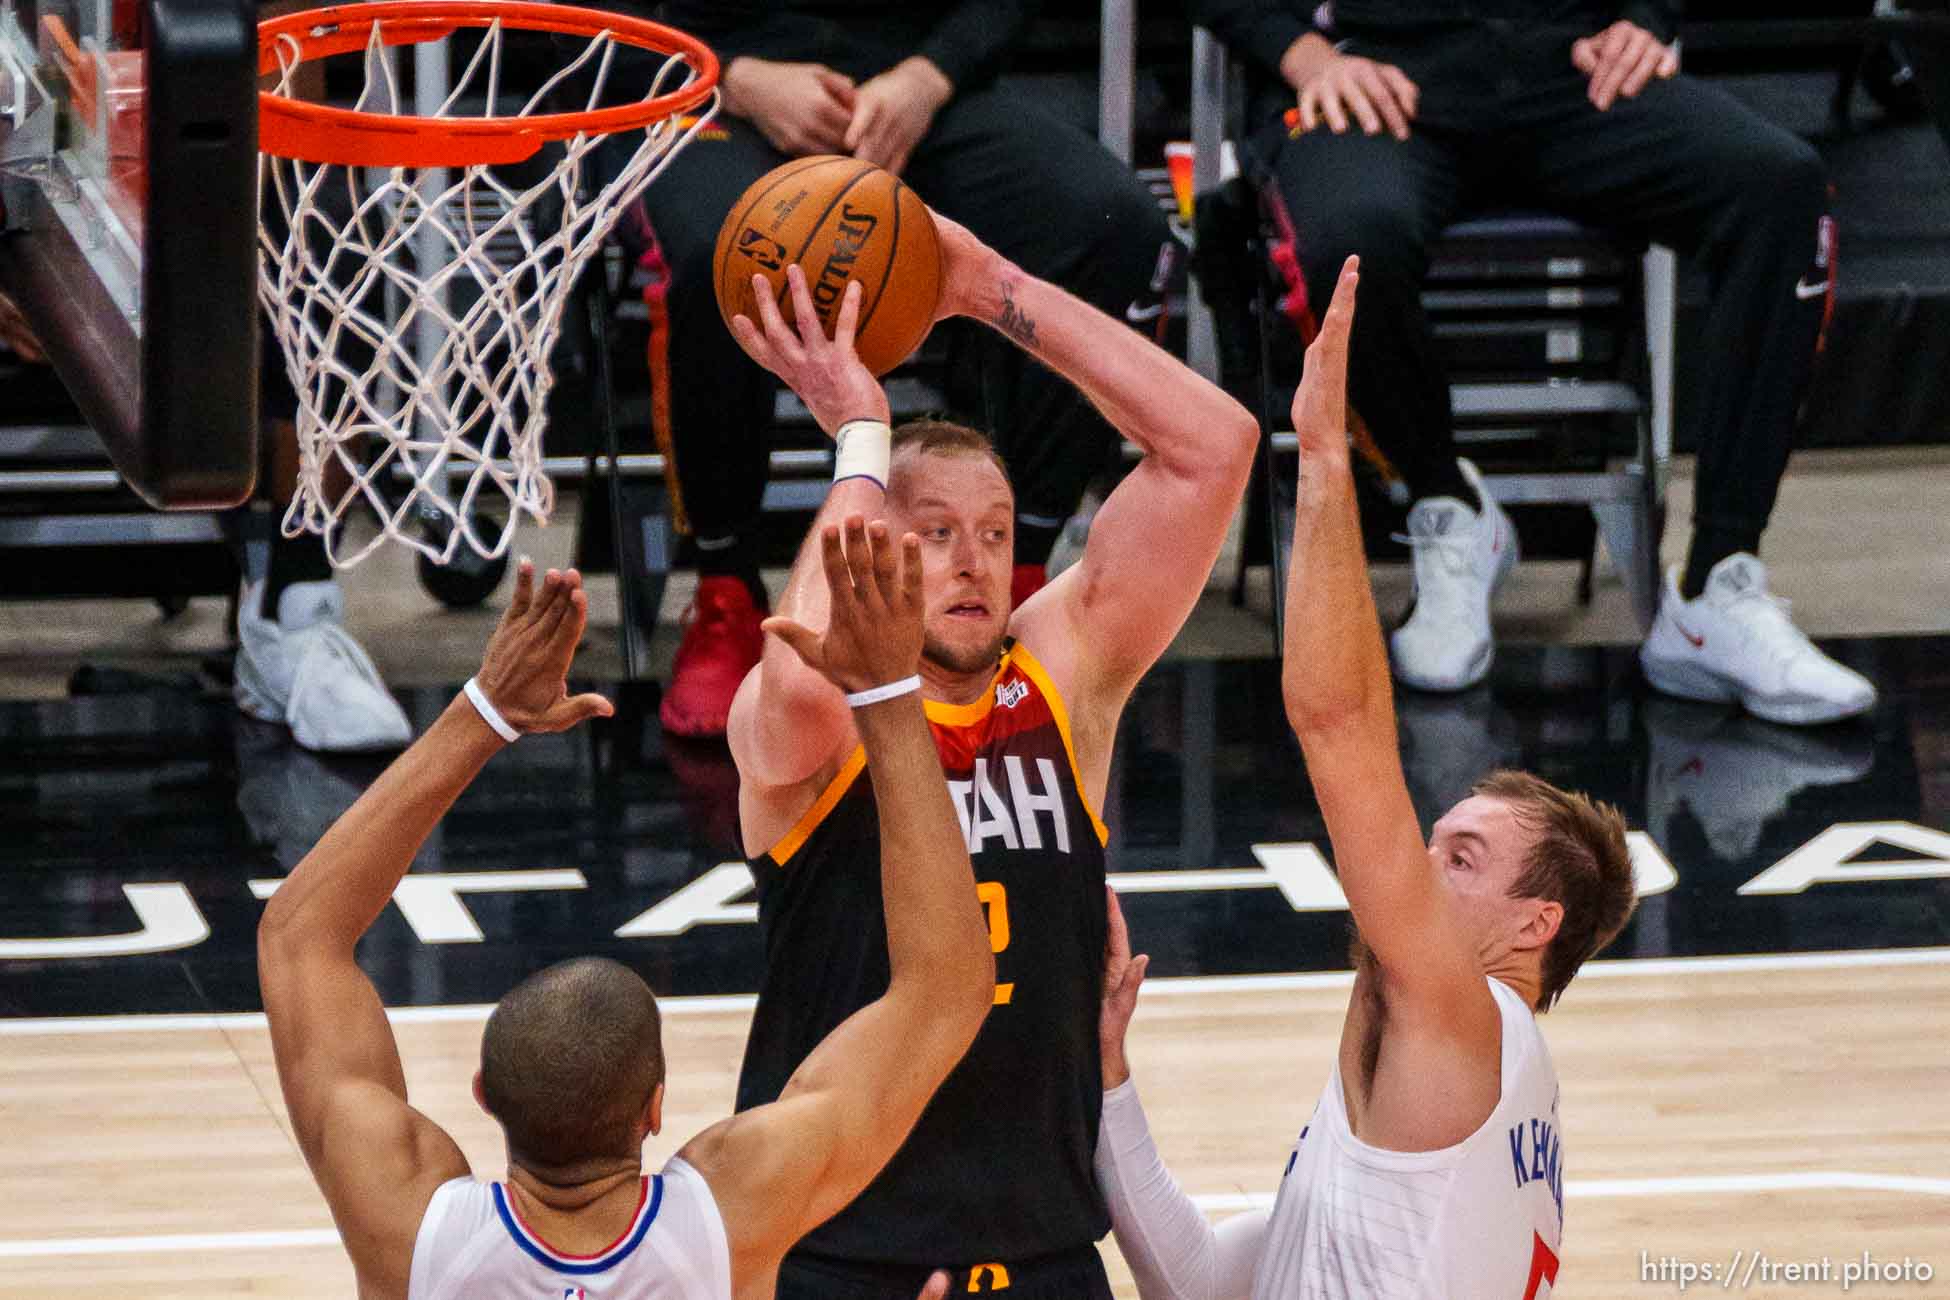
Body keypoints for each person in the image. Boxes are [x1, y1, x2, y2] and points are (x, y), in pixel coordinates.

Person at [719, 208, 1258, 1298]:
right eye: (932, 533)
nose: (973, 562)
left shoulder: (1061, 675)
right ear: (872, 526)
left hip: (1046, 1250)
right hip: (838, 1251)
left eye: (998, 531)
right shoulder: (817, 718)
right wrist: (860, 431)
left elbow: (1215, 449)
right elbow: (806, 677)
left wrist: (989, 283)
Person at [1091, 259, 1639, 1297]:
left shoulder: (1464, 1021)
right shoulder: (1431, 1094)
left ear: (1534, 925)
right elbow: (1202, 1281)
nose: (1416, 859)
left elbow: (1338, 721)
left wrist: (1330, 455)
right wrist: (1110, 1075)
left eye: (1463, 857)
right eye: (1435, 838)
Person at [255, 545, 995, 1298]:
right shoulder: (730, 1215)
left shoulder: (410, 1229)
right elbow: (946, 990)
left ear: (484, 1094)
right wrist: (887, 694)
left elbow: (301, 938)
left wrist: (485, 712)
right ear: (656, 1107)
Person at [1193, 0, 1877, 723]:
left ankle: (1718, 585)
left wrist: (1645, 17)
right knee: (1343, 247)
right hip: (1375, 73)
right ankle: (1446, 503)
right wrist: (1304, 54)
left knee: (1782, 186)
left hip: (1568, 69)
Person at [637, 0, 1174, 738]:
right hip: (708, 88)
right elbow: (570, 17)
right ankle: (725, 584)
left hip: (912, 85)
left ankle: (1015, 574)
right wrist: (730, 76)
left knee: (1109, 222)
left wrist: (931, 74)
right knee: (712, 257)